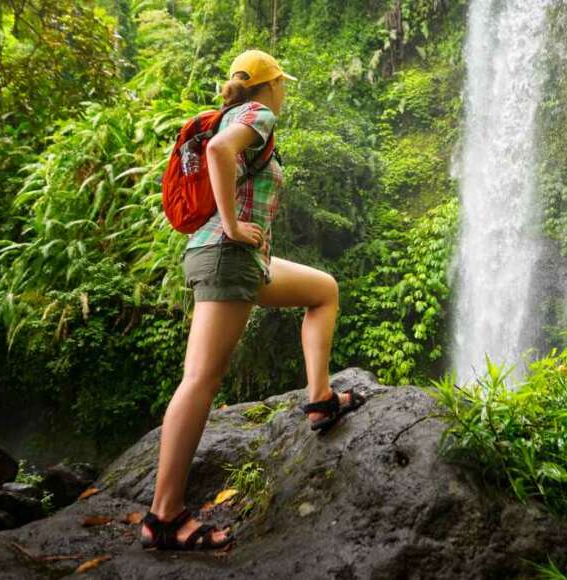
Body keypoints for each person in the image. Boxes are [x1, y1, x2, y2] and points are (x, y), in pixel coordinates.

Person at [138, 49, 365, 551]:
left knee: (323, 290)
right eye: (282, 83)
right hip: (227, 254)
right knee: (199, 380)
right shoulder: (256, 115)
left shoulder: (230, 114)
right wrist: (238, 226)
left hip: (235, 258)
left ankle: (320, 400)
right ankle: (164, 516)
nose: (284, 92)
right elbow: (219, 152)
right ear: (269, 86)